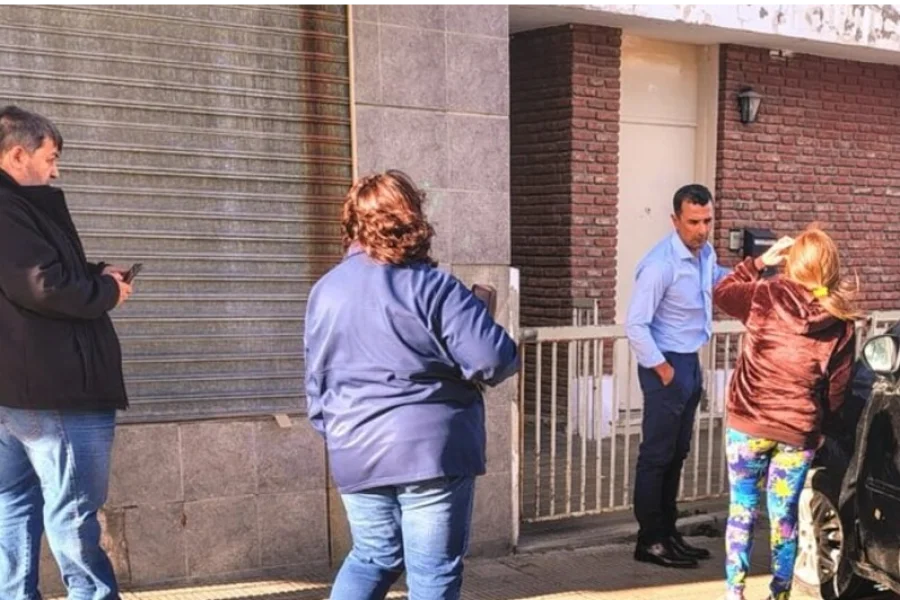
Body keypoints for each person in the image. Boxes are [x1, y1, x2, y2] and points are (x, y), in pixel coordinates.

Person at [304, 170, 519, 600]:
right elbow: (492, 359)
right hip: (430, 450)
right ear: (412, 218)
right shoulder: (434, 287)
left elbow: (317, 382)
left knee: (372, 557)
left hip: (355, 447)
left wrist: (343, 432)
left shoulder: (325, 291)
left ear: (353, 223)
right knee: (432, 574)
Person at [0, 105, 134, 600]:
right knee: (73, 512)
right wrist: (106, 291)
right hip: (54, 392)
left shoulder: (19, 208)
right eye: (50, 158)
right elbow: (43, 286)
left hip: (20, 394)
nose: (55, 171)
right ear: (18, 155)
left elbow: (37, 276)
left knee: (15, 503)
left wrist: (96, 273)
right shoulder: (8, 208)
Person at [713, 227, 859, 600]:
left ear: (792, 263)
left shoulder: (764, 295)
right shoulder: (840, 321)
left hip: (748, 423)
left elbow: (721, 292)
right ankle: (779, 594)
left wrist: (759, 262)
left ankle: (734, 593)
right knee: (784, 518)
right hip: (797, 432)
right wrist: (822, 429)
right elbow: (838, 389)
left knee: (742, 511)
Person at [625, 183, 731, 568]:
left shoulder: (705, 254)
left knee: (677, 452)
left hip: (689, 359)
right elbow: (635, 325)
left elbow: (715, 278)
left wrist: (750, 274)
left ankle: (668, 533)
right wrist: (664, 370)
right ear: (675, 220)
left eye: (707, 221)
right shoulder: (660, 265)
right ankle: (650, 540)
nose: (701, 230)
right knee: (656, 456)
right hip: (665, 364)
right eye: (693, 222)